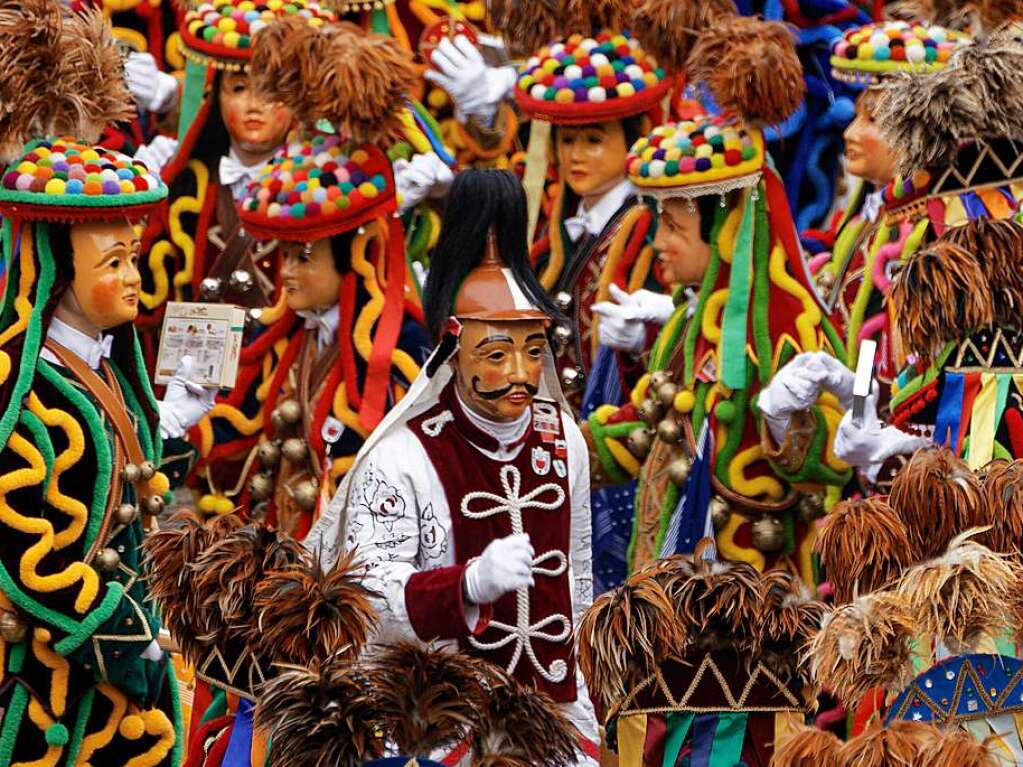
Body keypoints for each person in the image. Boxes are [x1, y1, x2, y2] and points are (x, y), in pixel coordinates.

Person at [308, 169, 600, 765]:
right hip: (434, 727)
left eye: (533, 351)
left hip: (550, 723)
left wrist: (585, 705)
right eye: (496, 354)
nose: (521, 373)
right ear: (455, 345)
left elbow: (578, 580)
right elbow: (367, 593)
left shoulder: (563, 437)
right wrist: (465, 585)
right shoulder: (402, 457)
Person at [0, 4, 213, 763]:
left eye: (133, 256)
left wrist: (174, 430)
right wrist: (126, 636)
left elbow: (125, 486)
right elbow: (31, 556)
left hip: (128, 682)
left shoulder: (102, 364)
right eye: (113, 263)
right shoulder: (24, 393)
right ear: (57, 271)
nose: (134, 279)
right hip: (58, 691)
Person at [584, 15, 851, 579]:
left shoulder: (790, 327)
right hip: (671, 603)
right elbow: (645, 429)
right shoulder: (686, 324)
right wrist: (543, 450)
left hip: (760, 611)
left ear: (727, 231)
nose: (658, 243)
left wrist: (787, 426)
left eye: (675, 227)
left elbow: (838, 459)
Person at [179, 16, 431, 537]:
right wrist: (173, 430)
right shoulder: (288, 336)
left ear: (355, 255)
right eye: (285, 255)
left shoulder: (401, 346)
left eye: (303, 257)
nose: (286, 273)